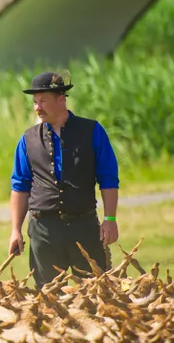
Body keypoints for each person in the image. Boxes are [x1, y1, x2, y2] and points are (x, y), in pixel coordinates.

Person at [8, 71, 120, 287]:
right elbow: (20, 187)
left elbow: (108, 179)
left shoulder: (92, 131)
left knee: (96, 294)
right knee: (49, 301)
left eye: (43, 101)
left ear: (61, 99)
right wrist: (15, 230)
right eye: (35, 102)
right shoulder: (27, 139)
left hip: (84, 227)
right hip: (44, 231)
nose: (37, 107)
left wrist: (110, 219)